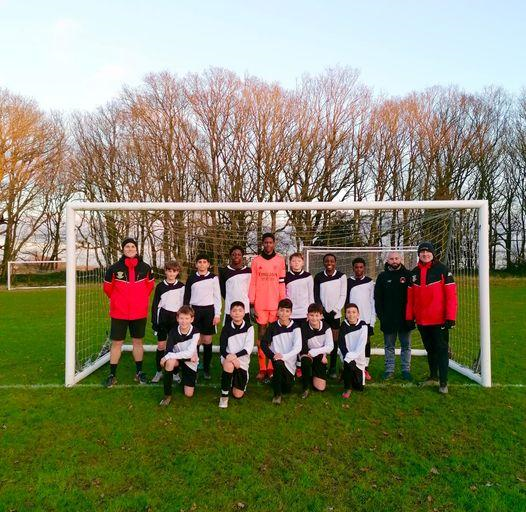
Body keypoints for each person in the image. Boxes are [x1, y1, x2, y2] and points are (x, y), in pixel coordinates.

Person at [406, 241, 458, 394]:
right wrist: (410, 317)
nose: (425, 254)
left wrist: (450, 317)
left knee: (441, 350)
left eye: (428, 252)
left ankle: (443, 382)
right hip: (422, 321)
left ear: (433, 254)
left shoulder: (442, 270)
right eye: (422, 252)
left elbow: (451, 296)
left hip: (439, 320)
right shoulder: (414, 273)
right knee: (430, 350)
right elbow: (410, 299)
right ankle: (433, 376)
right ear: (419, 254)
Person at [102, 237, 154, 387]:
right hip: (119, 313)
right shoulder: (113, 268)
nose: (130, 249)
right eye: (127, 247)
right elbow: (107, 289)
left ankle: (139, 372)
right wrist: (120, 301)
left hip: (139, 313)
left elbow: (149, 287)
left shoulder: (146, 268)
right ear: (123, 249)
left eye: (132, 246)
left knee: (138, 342)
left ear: (136, 249)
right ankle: (112, 375)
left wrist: (139, 300)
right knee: (117, 343)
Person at [248, 233, 286, 382]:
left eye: (271, 242)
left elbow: (282, 282)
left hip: (275, 304)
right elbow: (253, 282)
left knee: (274, 336)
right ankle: (262, 368)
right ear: (262, 244)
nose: (268, 245)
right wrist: (252, 302)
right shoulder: (256, 261)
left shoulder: (281, 260)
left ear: (274, 243)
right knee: (262, 336)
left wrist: (283, 302)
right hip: (260, 304)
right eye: (266, 242)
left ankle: (271, 366)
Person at [374, 251, 413, 381]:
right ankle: (389, 370)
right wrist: (382, 317)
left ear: (401, 259)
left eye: (397, 258)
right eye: (391, 259)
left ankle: (405, 370)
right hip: (388, 319)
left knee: (406, 346)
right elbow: (378, 299)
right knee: (389, 346)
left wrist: (411, 316)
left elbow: (414, 298)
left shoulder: (408, 275)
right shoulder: (382, 277)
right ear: (387, 260)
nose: (394, 261)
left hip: (405, 319)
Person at [183, 254, 222, 380]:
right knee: (196, 340)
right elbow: (187, 296)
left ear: (208, 264)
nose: (202, 264)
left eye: (204, 262)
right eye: (199, 262)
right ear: (196, 264)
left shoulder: (213, 278)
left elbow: (217, 297)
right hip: (195, 310)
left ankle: (206, 368)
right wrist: (187, 313)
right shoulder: (191, 278)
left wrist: (217, 314)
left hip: (209, 311)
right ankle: (194, 364)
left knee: (207, 340)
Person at [260, 298, 302, 405]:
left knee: (287, 389)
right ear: (278, 311)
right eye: (282, 310)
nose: (284, 313)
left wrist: (283, 356)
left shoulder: (296, 328)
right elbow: (263, 344)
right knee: (278, 364)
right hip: (277, 360)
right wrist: (273, 356)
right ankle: (277, 395)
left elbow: (298, 348)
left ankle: (275, 380)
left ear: (291, 313)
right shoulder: (273, 326)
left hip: (289, 364)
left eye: (287, 311)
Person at [150, 260, 185, 384]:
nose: (171, 273)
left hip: (176, 319)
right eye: (169, 271)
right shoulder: (160, 286)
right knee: (161, 346)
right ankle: (159, 371)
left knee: (175, 346)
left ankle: (175, 373)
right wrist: (154, 321)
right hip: (163, 318)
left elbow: (184, 305)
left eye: (174, 271)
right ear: (165, 271)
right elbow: (155, 305)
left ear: (177, 272)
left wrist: (184, 321)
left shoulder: (181, 286)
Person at [313, 253, 347, 379]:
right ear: (324, 263)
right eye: (326, 261)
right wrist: (322, 311)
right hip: (321, 315)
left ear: (335, 262)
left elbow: (343, 295)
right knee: (321, 342)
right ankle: (321, 367)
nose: (329, 263)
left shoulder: (341, 277)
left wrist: (334, 310)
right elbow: (316, 295)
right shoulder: (318, 277)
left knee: (334, 341)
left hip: (335, 315)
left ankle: (332, 367)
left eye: (332, 261)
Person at [159, 306, 200, 406]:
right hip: (180, 359)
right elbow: (168, 351)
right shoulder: (173, 332)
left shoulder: (196, 332)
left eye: (187, 318)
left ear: (192, 319)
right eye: (181, 318)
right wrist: (168, 357)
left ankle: (188, 376)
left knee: (188, 394)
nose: (184, 321)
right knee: (170, 362)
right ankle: (167, 395)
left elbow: (190, 353)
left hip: (190, 361)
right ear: (177, 319)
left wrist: (167, 356)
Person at [218, 301, 255, 408]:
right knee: (229, 365)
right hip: (228, 358)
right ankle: (224, 396)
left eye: (240, 310)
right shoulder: (226, 327)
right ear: (230, 313)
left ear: (244, 313)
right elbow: (222, 348)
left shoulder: (249, 328)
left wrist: (235, 357)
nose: (237, 313)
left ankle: (232, 378)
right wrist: (231, 358)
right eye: (234, 311)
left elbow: (248, 348)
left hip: (242, 361)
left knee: (238, 395)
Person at [285, 252, 314, 377]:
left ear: (303, 262)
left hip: (304, 314)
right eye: (293, 261)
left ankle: (301, 365)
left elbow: (310, 295)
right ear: (289, 263)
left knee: (303, 340)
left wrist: (310, 312)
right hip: (291, 315)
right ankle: (291, 364)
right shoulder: (286, 276)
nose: (296, 263)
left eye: (298, 261)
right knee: (292, 341)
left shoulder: (308, 276)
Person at [347, 257, 375, 381]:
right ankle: (350, 366)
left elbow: (372, 302)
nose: (358, 269)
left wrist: (372, 320)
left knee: (366, 343)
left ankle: (365, 368)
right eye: (356, 267)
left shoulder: (370, 282)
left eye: (361, 267)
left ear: (364, 268)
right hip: (352, 319)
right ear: (353, 268)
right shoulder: (348, 282)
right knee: (351, 342)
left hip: (366, 319)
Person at [299, 303, 333, 398]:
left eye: (317, 315)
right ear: (307, 316)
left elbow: (330, 346)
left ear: (321, 316)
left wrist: (322, 355)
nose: (314, 318)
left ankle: (312, 374)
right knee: (305, 361)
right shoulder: (303, 327)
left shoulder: (326, 328)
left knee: (320, 388)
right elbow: (303, 347)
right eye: (311, 315)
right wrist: (311, 353)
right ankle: (305, 388)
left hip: (319, 355)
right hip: (307, 354)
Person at [338, 303, 368, 398]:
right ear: (346, 314)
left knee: (359, 387)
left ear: (358, 314)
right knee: (348, 364)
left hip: (359, 357)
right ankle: (347, 388)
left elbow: (361, 345)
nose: (351, 315)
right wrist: (348, 357)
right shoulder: (343, 325)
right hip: (347, 356)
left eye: (354, 312)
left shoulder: (363, 325)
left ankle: (344, 373)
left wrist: (353, 357)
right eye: (348, 312)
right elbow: (342, 345)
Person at [219, 245, 251, 323]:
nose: (236, 256)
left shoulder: (249, 271)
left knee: (245, 332)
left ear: (242, 256)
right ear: (230, 256)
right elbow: (223, 291)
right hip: (230, 307)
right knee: (229, 332)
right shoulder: (224, 271)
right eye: (234, 254)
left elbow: (251, 289)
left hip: (245, 308)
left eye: (239, 254)